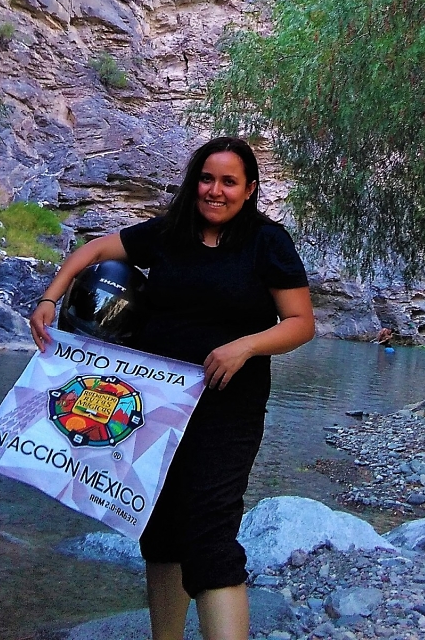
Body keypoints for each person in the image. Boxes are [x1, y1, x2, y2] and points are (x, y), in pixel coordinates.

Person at [30, 137, 315, 640]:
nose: (215, 191)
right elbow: (95, 250)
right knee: (160, 530)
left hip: (227, 410)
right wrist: (51, 298)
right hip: (154, 405)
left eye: (229, 182)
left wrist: (245, 346)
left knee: (210, 537)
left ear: (250, 189)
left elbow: (300, 323)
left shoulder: (267, 242)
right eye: (207, 179)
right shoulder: (169, 233)